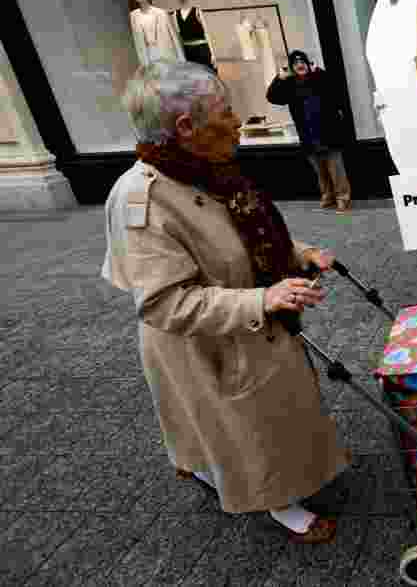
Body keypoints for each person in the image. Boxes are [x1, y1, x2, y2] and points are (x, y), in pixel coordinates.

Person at [101, 60, 352, 544]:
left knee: (263, 413)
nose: (238, 121)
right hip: (201, 341)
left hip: (250, 317)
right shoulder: (145, 199)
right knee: (245, 425)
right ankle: (276, 499)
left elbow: (240, 234)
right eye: (226, 111)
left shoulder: (206, 169)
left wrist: (299, 253)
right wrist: (265, 298)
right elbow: (165, 303)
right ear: (185, 128)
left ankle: (213, 467)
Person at [267, 50, 352, 213]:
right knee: (320, 170)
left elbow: (335, 89)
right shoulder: (289, 85)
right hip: (308, 135)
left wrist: (318, 72)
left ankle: (342, 197)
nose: (300, 65)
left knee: (336, 168)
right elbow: (273, 97)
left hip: (328, 133)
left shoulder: (319, 78)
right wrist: (279, 79)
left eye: (303, 62)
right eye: (296, 63)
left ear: (308, 64)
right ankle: (328, 195)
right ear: (292, 68)